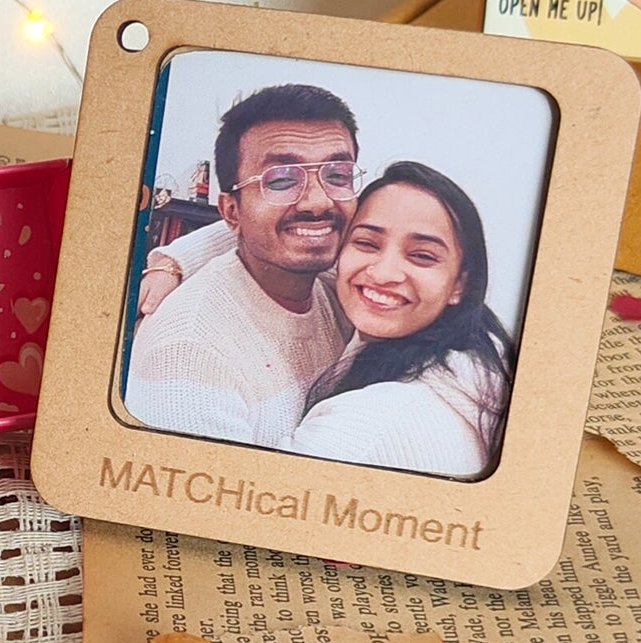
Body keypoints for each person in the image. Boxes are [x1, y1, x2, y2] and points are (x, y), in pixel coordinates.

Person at [123, 83, 363, 447]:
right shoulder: (188, 355)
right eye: (281, 180)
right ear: (231, 211)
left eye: (337, 176)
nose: (318, 202)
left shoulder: (344, 283)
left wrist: (176, 259)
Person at [287, 161, 515, 478]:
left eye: (422, 256)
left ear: (459, 285)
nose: (383, 274)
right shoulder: (477, 365)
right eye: (367, 243)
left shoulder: (361, 428)